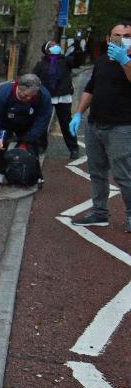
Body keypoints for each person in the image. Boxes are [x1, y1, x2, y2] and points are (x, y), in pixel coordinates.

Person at [69, 22, 131, 231]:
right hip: (95, 123)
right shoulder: (102, 61)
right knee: (96, 172)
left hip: (122, 127)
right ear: (108, 39)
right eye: (117, 35)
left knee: (124, 174)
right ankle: (99, 211)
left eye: (127, 35)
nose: (122, 38)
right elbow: (91, 87)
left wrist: (125, 60)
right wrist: (78, 113)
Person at [0, 73, 51, 185]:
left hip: (29, 122)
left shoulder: (43, 96)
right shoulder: (2, 94)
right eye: (26, 96)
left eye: (32, 96)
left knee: (32, 145)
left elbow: (43, 119)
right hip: (6, 122)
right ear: (19, 89)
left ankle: (34, 173)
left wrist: (30, 137)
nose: (28, 98)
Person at [32, 40, 82, 159]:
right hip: (46, 97)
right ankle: (41, 146)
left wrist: (78, 48)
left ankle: (73, 148)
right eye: (53, 45)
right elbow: (34, 78)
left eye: (57, 45)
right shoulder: (41, 64)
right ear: (47, 50)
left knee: (66, 123)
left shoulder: (65, 60)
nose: (57, 46)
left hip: (63, 96)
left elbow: (77, 61)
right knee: (42, 122)